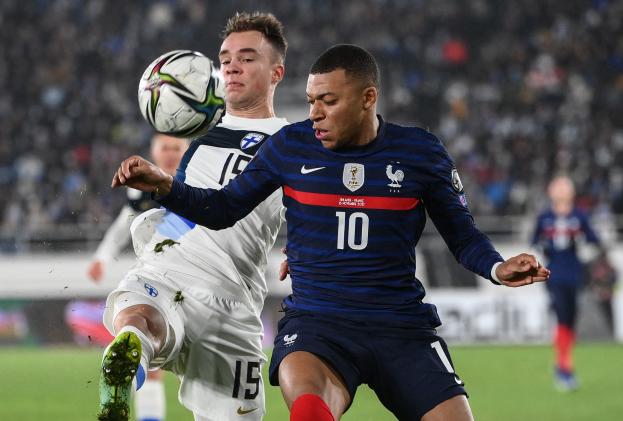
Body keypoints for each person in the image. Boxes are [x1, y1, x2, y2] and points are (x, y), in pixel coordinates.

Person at [112, 44, 550, 421]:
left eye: (328, 101)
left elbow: (463, 236)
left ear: (368, 98)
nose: (315, 114)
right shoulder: (289, 145)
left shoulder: (420, 152)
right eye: (309, 101)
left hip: (402, 328)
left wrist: (496, 267)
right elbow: (224, 208)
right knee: (308, 409)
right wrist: (166, 186)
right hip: (318, 327)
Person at [98, 12, 288, 421]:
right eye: (225, 58)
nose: (232, 65)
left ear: (277, 71)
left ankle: (137, 343)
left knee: (144, 320)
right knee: (142, 315)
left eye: (247, 57)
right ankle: (134, 344)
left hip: (223, 296)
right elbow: (185, 205)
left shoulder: (294, 142)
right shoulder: (200, 138)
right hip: (180, 276)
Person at [85, 133, 187, 421]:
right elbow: (123, 224)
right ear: (154, 152)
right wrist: (102, 258)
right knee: (147, 356)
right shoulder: (141, 188)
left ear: (186, 150)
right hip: (158, 279)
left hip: (198, 279)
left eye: (175, 147)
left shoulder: (200, 179)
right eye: (164, 148)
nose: (169, 153)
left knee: (201, 376)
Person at [531, 175, 602, 391]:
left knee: (570, 320)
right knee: (562, 317)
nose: (560, 190)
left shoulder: (579, 216)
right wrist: (540, 254)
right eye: (557, 186)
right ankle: (564, 368)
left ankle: (562, 363)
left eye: (564, 186)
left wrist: (582, 248)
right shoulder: (545, 217)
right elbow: (533, 242)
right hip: (553, 276)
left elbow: (595, 242)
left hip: (574, 275)